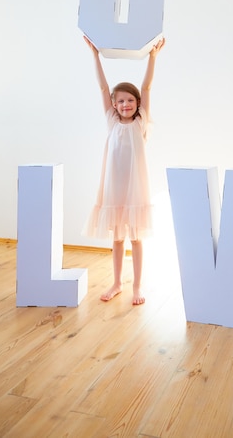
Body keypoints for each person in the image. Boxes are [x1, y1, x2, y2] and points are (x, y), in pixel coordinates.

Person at [83, 35, 165, 305]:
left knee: (136, 239)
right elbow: (103, 87)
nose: (125, 105)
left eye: (130, 100)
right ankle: (117, 283)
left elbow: (147, 86)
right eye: (120, 102)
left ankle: (137, 287)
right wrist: (95, 55)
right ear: (114, 105)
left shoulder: (141, 123)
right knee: (117, 239)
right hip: (114, 188)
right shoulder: (111, 121)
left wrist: (153, 57)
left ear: (137, 103)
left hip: (135, 189)